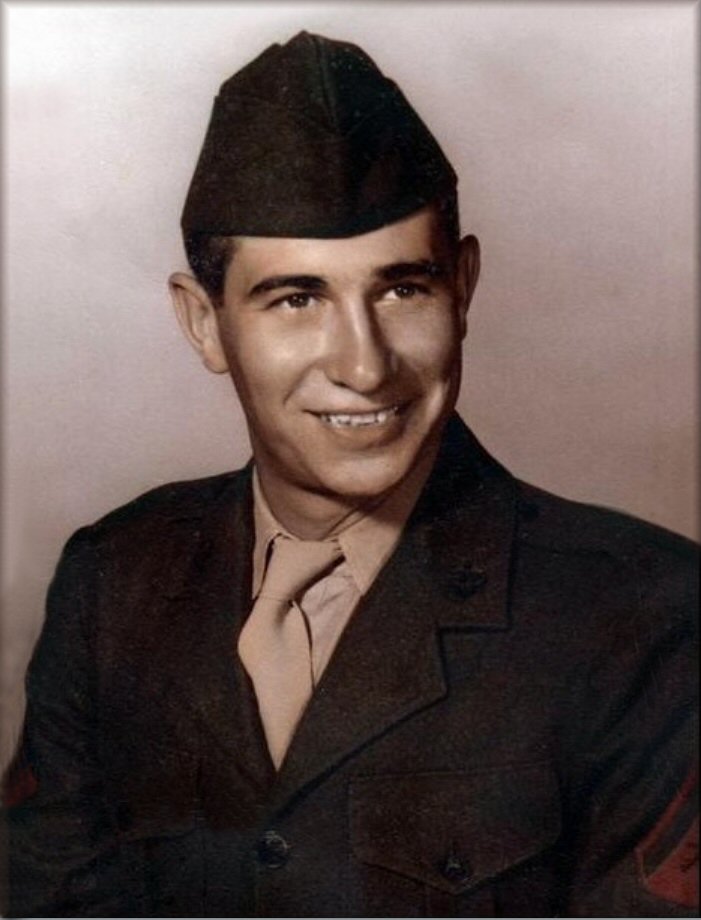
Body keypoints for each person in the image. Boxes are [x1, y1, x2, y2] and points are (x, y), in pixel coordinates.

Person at [2, 31, 697, 918]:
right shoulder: (113, 582)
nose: (364, 366)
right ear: (204, 323)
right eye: (296, 299)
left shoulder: (645, 615)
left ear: (463, 287)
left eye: (402, 289)